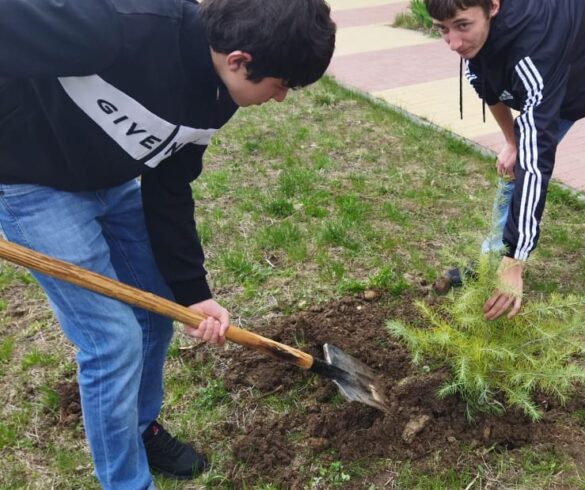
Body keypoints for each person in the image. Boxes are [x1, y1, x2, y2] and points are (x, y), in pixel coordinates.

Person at [0, 0, 335, 487]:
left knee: (159, 311)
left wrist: (192, 291)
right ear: (240, 59)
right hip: (33, 183)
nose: (280, 98)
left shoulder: (220, 94)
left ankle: (138, 427)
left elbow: (170, 184)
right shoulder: (118, 26)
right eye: (280, 85)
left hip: (112, 180)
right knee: (111, 340)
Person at [426, 0, 585, 372]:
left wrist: (517, 264)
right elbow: (489, 88)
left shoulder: (534, 44)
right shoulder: (475, 39)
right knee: (517, 163)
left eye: (461, 26)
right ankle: (492, 264)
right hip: (569, 71)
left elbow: (538, 162)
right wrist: (511, 141)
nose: (454, 42)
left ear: (492, 7)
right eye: (443, 29)